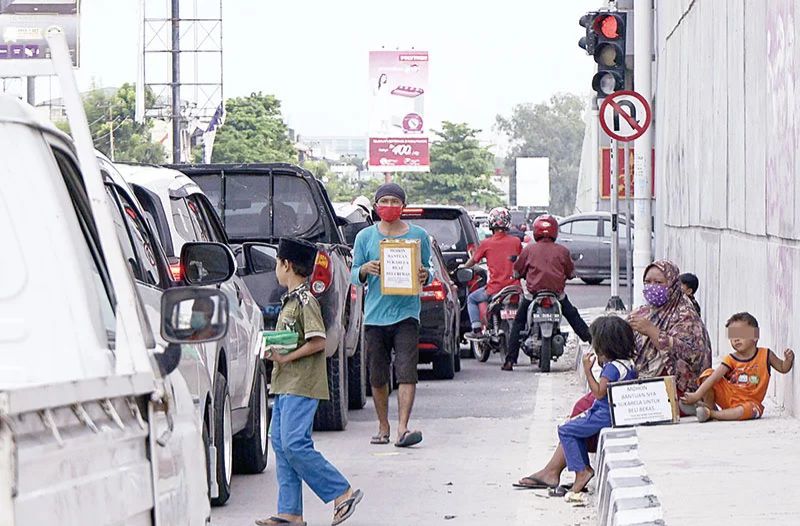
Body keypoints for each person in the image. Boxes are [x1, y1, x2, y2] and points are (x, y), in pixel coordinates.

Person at [514, 259, 712, 491]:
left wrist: (653, 332)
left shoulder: (685, 315)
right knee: (584, 405)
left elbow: (694, 355)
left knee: (587, 410)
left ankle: (560, 471)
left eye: (659, 282)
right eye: (647, 282)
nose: (652, 287)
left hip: (669, 391)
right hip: (638, 383)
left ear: (673, 284)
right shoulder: (645, 311)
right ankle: (560, 470)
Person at [258, 238, 363, 526]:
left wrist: (284, 359)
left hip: (301, 384)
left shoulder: (305, 301)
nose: (276, 271)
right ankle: (290, 512)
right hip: (285, 383)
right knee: (280, 444)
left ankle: (342, 492)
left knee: (294, 444)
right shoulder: (290, 300)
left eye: (277, 265)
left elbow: (318, 341)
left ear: (287, 265)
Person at [351, 183, 433, 448]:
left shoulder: (419, 235)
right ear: (376, 206)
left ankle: (403, 428)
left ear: (403, 207)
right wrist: (365, 269)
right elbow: (353, 274)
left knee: (407, 372)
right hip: (375, 316)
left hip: (407, 313)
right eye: (384, 201)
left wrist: (425, 275)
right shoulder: (365, 237)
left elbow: (429, 269)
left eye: (394, 201)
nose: (389, 206)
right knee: (377, 375)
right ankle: (383, 425)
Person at [557, 316, 637, 501]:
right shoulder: (628, 363)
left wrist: (588, 371)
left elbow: (599, 393)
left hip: (603, 413)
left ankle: (581, 472)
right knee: (575, 429)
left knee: (566, 430)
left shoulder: (611, 369)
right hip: (616, 411)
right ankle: (582, 470)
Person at [503, 214, 591, 371]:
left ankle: (510, 361)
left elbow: (518, 270)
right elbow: (570, 273)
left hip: (533, 295)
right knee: (573, 316)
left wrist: (520, 274)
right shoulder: (562, 251)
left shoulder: (529, 250)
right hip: (557, 294)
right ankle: (593, 342)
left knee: (518, 322)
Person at [681, 312, 795, 422]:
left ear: (755, 336)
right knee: (708, 374)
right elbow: (714, 378)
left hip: (750, 402)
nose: (736, 339)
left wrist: (788, 360)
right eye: (732, 336)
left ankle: (710, 414)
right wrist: (696, 395)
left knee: (747, 410)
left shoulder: (766, 355)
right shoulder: (731, 359)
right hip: (730, 397)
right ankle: (709, 407)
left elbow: (783, 368)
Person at [462, 207, 522, 339]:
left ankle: (476, 329)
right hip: (514, 288)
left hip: (494, 289)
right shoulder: (516, 242)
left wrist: (462, 267)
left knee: (471, 299)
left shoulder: (486, 243)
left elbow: (473, 261)